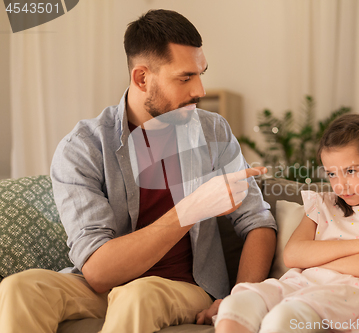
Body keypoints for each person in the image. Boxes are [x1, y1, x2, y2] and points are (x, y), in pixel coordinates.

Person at [0, 9, 277, 333]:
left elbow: (257, 222)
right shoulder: (84, 147)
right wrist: (193, 207)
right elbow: (98, 271)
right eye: (185, 77)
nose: (200, 89)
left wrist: (239, 299)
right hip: (103, 290)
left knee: (137, 295)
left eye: (201, 73)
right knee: (20, 289)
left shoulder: (213, 132)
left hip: (184, 288)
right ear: (142, 78)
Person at [215, 114, 359, 333]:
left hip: (346, 295)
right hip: (299, 283)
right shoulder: (323, 203)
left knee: (285, 317)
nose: (340, 185)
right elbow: (293, 255)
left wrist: (315, 260)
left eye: (351, 171)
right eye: (332, 174)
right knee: (236, 303)